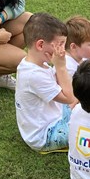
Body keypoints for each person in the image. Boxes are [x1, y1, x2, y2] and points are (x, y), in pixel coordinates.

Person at [14, 13, 75, 153]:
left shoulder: (36, 65)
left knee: (88, 101)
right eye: (60, 44)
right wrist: (60, 66)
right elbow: (69, 98)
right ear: (40, 45)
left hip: (57, 115)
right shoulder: (34, 75)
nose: (62, 50)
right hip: (46, 134)